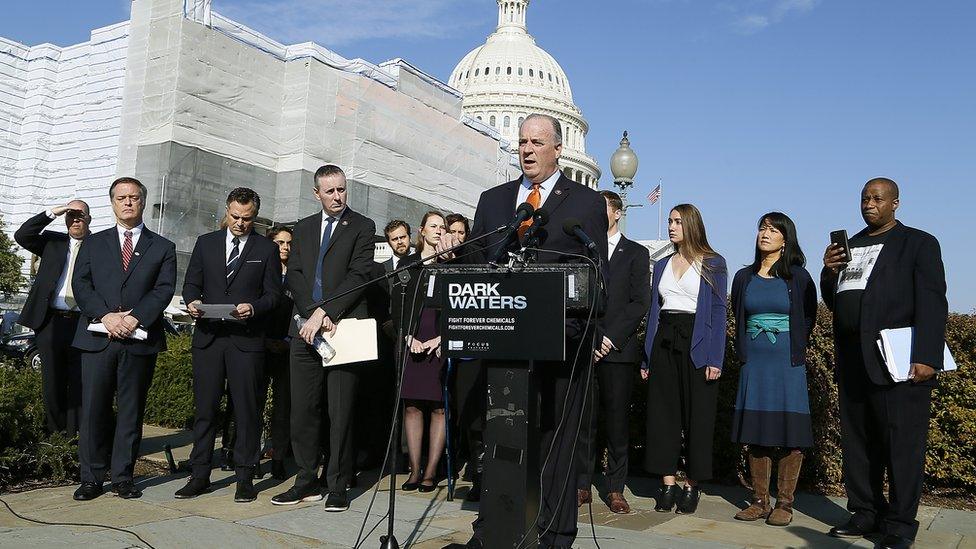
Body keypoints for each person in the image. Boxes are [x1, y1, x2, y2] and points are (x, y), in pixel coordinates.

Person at [452, 113, 609, 549]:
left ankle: (554, 534)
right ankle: (493, 531)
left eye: (537, 142)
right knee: (502, 439)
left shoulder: (584, 202)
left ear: (558, 149)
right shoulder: (494, 201)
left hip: (561, 344)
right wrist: (454, 260)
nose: (526, 149)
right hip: (504, 342)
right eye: (521, 141)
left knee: (554, 443)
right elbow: (476, 267)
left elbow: (597, 276)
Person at [821, 178, 947, 549]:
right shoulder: (852, 245)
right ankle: (864, 512)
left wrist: (926, 356)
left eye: (878, 198)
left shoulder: (918, 243)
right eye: (864, 198)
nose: (870, 204)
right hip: (853, 358)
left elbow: (932, 300)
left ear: (895, 203)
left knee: (901, 443)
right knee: (858, 440)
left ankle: (900, 523)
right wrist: (829, 271)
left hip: (898, 359)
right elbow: (836, 299)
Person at [272, 164, 376, 513]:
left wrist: (325, 312)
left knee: (341, 410)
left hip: (342, 328)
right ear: (316, 193)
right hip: (304, 329)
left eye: (341, 190)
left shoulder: (362, 226)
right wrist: (309, 313)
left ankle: (339, 484)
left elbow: (360, 274)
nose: (337, 196)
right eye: (329, 191)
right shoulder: (302, 228)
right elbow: (295, 275)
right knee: (303, 410)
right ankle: (305, 481)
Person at [71, 177, 177, 501]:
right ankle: (91, 477)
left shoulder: (163, 247)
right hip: (97, 338)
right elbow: (81, 284)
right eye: (121, 197)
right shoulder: (93, 242)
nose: (128, 202)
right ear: (113, 203)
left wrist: (133, 318)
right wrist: (106, 316)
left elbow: (163, 290)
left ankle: (123, 478)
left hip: (139, 339)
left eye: (133, 197)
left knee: (131, 411)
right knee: (93, 411)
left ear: (142, 202)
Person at [174, 188, 282, 503]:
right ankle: (199, 475)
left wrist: (255, 307)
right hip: (208, 339)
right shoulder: (205, 243)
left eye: (247, 219)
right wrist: (193, 301)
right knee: (205, 410)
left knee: (247, 412)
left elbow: (273, 294)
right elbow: (192, 282)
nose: (240, 223)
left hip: (246, 341)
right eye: (235, 217)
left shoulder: (267, 249)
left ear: (255, 217)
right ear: (227, 210)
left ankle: (245, 477)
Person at [730, 212, 817, 526]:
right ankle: (759, 501)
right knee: (757, 433)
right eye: (762, 228)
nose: (765, 233)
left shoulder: (799, 277)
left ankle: (785, 504)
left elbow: (808, 318)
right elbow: (738, 314)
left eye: (773, 229)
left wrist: (790, 344)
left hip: (787, 363)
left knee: (791, 434)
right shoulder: (743, 277)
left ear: (786, 238)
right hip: (755, 364)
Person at [641, 204, 727, 515]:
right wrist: (647, 357)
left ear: (692, 225)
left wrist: (715, 357)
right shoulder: (662, 264)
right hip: (664, 338)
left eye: (677, 221)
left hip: (697, 342)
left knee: (698, 417)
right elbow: (653, 311)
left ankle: (692, 484)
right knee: (663, 416)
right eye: (669, 221)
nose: (672, 226)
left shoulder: (713, 263)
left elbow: (718, 313)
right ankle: (667, 483)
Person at [580, 190, 651, 514]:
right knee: (584, 419)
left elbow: (640, 302)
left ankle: (615, 488)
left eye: (602, 208)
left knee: (617, 423)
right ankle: (582, 484)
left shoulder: (635, 253)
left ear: (617, 213)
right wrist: (593, 338)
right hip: (585, 347)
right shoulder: (582, 251)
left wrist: (609, 339)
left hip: (618, 351)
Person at [14, 201, 92, 435]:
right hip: (50, 321)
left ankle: (75, 434)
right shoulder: (52, 242)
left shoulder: (99, 246)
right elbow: (23, 235)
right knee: (52, 380)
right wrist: (53, 212)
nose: (75, 219)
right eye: (71, 215)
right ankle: (55, 434)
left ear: (89, 218)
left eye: (80, 215)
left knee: (79, 380)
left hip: (83, 322)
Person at [392, 211, 449, 493]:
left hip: (441, 339)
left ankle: (430, 472)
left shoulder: (452, 265)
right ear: (422, 231)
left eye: (443, 226)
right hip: (413, 337)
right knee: (412, 405)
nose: (438, 230)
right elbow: (397, 305)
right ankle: (414, 470)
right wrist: (408, 336)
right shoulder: (408, 264)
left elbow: (460, 306)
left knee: (439, 406)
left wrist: (443, 338)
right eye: (433, 226)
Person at [264, 225, 294, 480]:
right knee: (253, 404)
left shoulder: (295, 275)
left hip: (286, 348)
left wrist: (286, 340)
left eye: (288, 243)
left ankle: (279, 459)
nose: (284, 248)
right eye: (280, 243)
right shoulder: (262, 271)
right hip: (261, 346)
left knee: (283, 409)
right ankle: (247, 457)